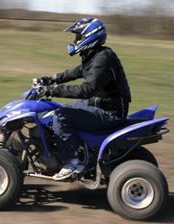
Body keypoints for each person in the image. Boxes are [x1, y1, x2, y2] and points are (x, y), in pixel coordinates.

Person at [32, 18, 131, 180]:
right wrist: (51, 79)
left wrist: (51, 91)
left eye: (78, 37)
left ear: (90, 37)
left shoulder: (102, 60)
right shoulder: (94, 55)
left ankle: (72, 163)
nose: (74, 40)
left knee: (61, 116)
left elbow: (86, 90)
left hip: (110, 112)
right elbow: (76, 72)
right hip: (99, 104)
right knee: (54, 111)